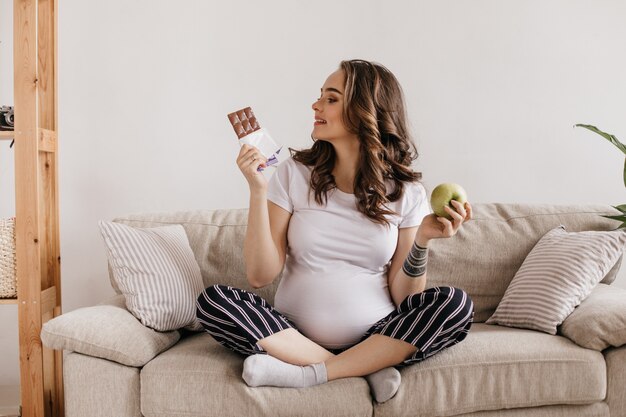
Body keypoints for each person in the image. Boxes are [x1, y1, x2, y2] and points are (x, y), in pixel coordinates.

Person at [196, 59, 474, 403]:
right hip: (290, 334)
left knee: (455, 305)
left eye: (331, 98)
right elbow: (259, 276)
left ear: (364, 111)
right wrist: (257, 190)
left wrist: (422, 241)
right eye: (320, 97)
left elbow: (405, 299)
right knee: (215, 302)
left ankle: (308, 374)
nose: (315, 105)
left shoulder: (407, 193)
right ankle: (366, 369)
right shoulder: (294, 174)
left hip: (377, 334)